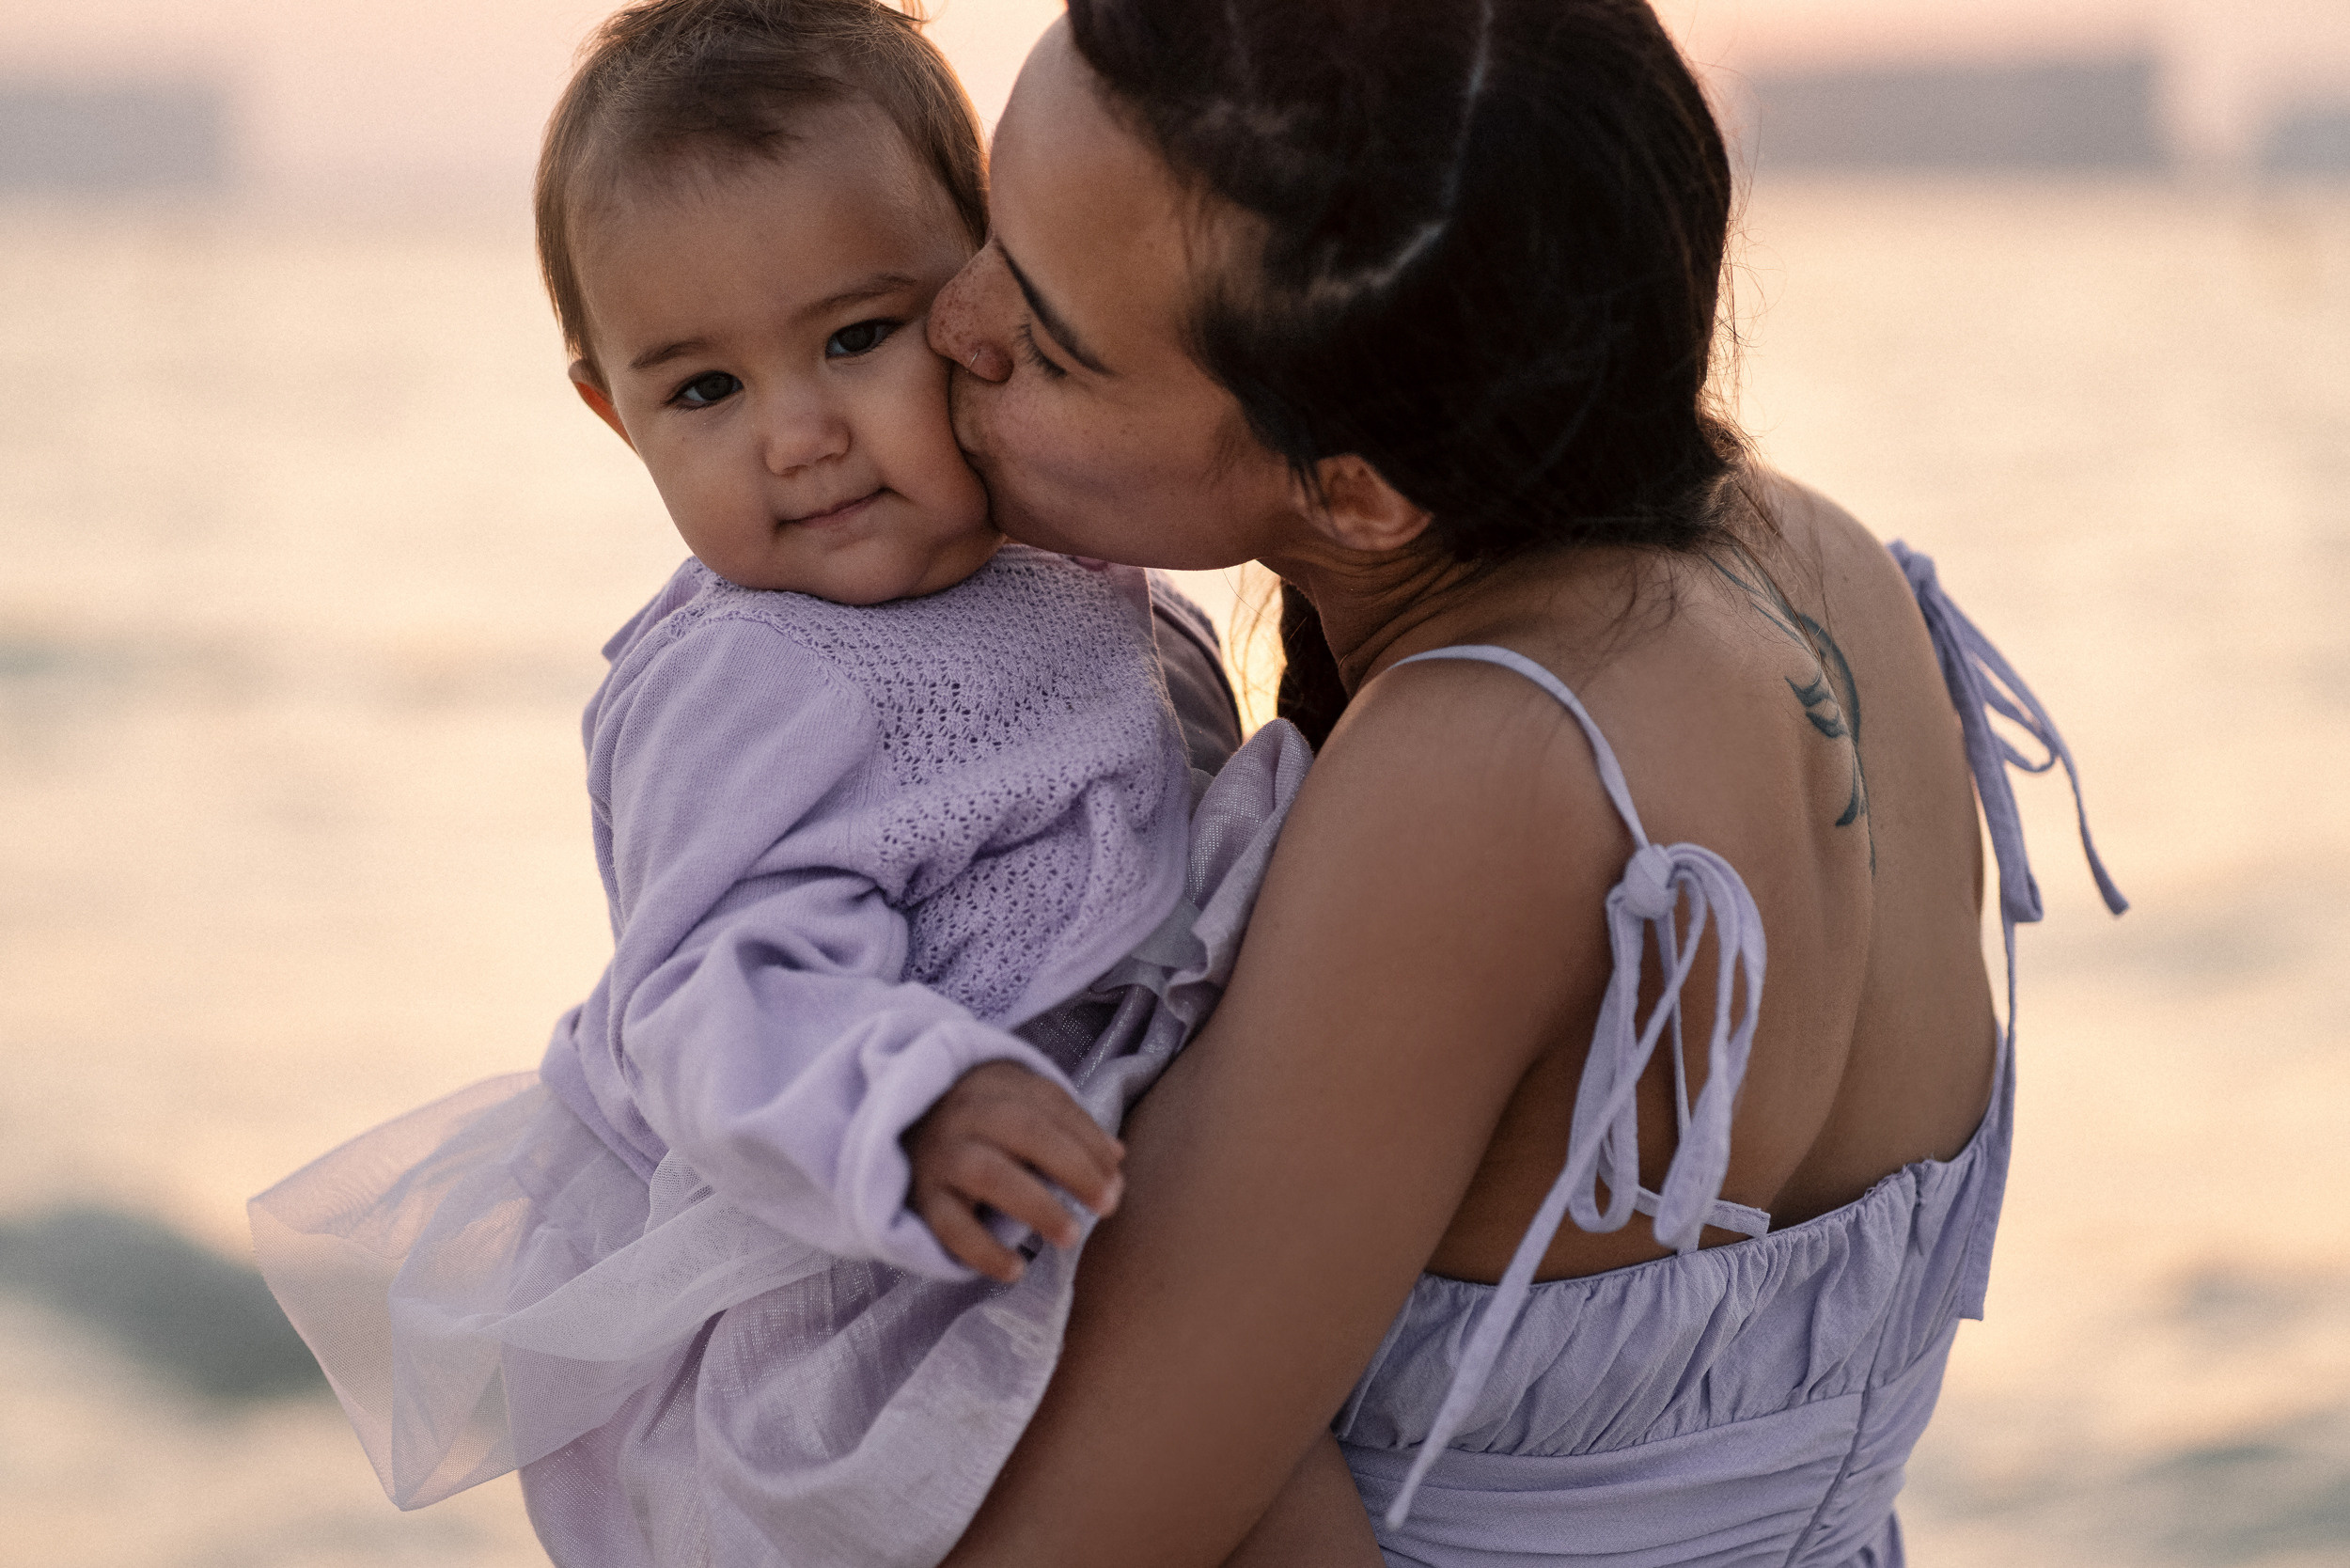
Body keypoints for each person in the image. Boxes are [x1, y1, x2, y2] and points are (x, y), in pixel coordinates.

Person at [922, 2, 2129, 1563]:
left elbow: (1054, 1544)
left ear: (1355, 493)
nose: (946, 315)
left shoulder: (1488, 772)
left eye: (1045, 334)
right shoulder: (1822, 560)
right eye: (983, 216)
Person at [247, 3, 1332, 1564]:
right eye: (705, 392)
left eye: (854, 337)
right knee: (1280, 1501)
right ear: (613, 415)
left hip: (1078, 1204)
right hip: (889, 1284)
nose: (802, 437)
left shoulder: (1071, 549)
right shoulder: (752, 681)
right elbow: (710, 990)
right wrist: (906, 1102)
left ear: (981, 296)